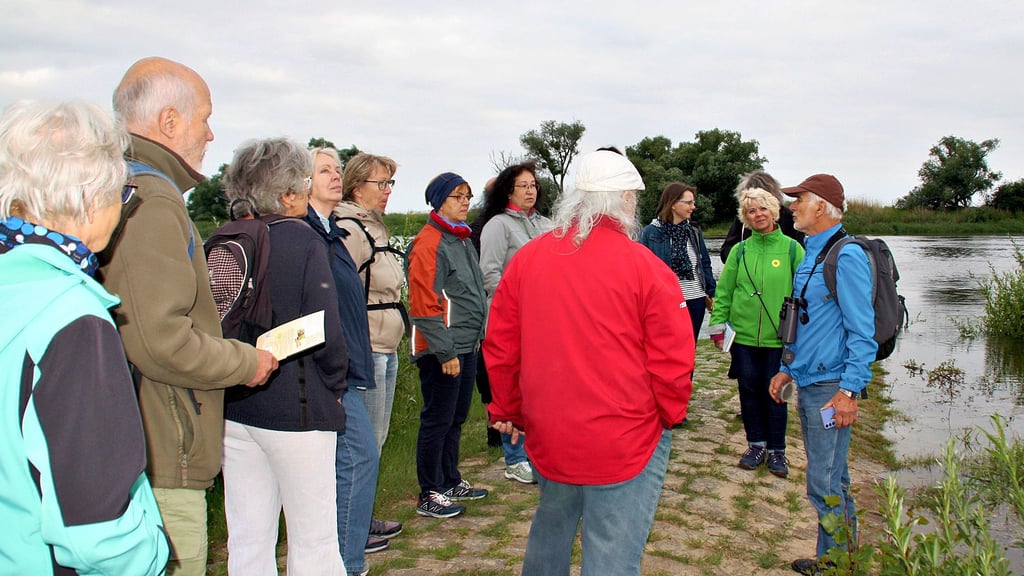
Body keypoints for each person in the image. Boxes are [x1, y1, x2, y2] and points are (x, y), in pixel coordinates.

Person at [100, 57, 278, 575]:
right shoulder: (153, 198)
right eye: (204, 117)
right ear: (170, 122)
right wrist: (245, 363)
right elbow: (159, 339)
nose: (211, 132)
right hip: (161, 449)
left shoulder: (122, 185)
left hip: (134, 439)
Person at [486, 150, 693, 576]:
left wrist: (507, 408)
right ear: (625, 199)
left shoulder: (527, 259)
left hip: (551, 433)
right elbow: (673, 361)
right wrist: (670, 415)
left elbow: (502, 347)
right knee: (611, 552)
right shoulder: (646, 268)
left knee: (551, 530)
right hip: (625, 437)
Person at [0, 100, 170, 575]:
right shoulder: (73, 320)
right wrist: (149, 555)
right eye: (123, 191)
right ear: (91, 197)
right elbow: (97, 529)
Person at [221, 138, 348, 575]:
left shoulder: (227, 237)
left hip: (235, 404)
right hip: (297, 406)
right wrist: (335, 385)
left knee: (248, 536)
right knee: (313, 540)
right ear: (289, 194)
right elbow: (327, 327)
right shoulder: (300, 238)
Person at [767, 174, 875, 576]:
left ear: (822, 207)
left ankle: (835, 565)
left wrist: (849, 391)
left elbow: (862, 331)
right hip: (810, 382)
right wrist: (785, 369)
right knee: (834, 477)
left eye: (799, 200)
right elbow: (804, 323)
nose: (791, 206)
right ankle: (839, 558)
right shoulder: (811, 252)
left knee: (825, 482)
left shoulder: (844, 256)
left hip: (831, 388)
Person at [306, 147, 395, 573]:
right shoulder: (334, 231)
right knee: (360, 453)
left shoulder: (333, 231)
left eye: (337, 169)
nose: (335, 176)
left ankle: (349, 549)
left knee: (362, 452)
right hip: (347, 359)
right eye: (325, 170)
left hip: (361, 353)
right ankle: (346, 558)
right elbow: (336, 300)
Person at [407, 172, 488, 518]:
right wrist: (445, 351)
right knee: (437, 419)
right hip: (443, 348)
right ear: (439, 201)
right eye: (458, 196)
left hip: (467, 344)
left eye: (468, 196)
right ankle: (429, 491)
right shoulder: (430, 242)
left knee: (455, 417)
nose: (465, 202)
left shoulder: (461, 238)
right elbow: (425, 304)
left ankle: (450, 478)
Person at [708, 188, 805, 478]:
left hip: (779, 338)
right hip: (744, 337)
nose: (758, 215)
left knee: (777, 392)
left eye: (762, 209)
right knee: (748, 391)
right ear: (745, 218)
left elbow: (803, 293)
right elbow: (724, 291)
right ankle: (756, 445)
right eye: (751, 211)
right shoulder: (739, 251)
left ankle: (778, 451)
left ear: (774, 211)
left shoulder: (792, 249)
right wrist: (717, 326)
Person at [477, 161, 552, 485]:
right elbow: (489, 274)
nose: (530, 190)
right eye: (522, 185)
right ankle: (515, 458)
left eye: (533, 184)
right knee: (513, 384)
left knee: (540, 385)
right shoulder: (498, 225)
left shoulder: (547, 224)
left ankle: (540, 451)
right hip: (512, 320)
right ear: (509, 190)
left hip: (546, 321)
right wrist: (521, 300)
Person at [639, 182, 717, 339]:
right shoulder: (650, 232)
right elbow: (641, 269)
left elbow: (705, 263)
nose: (693, 206)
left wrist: (711, 293)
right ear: (673, 204)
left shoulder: (693, 230)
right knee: (666, 345)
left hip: (696, 299)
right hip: (666, 301)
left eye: (693, 202)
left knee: (689, 348)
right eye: (688, 202)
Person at [719, 170, 804, 263]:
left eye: (763, 207)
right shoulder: (742, 220)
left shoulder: (790, 218)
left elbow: (801, 255)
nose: (758, 214)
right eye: (752, 210)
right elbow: (725, 253)